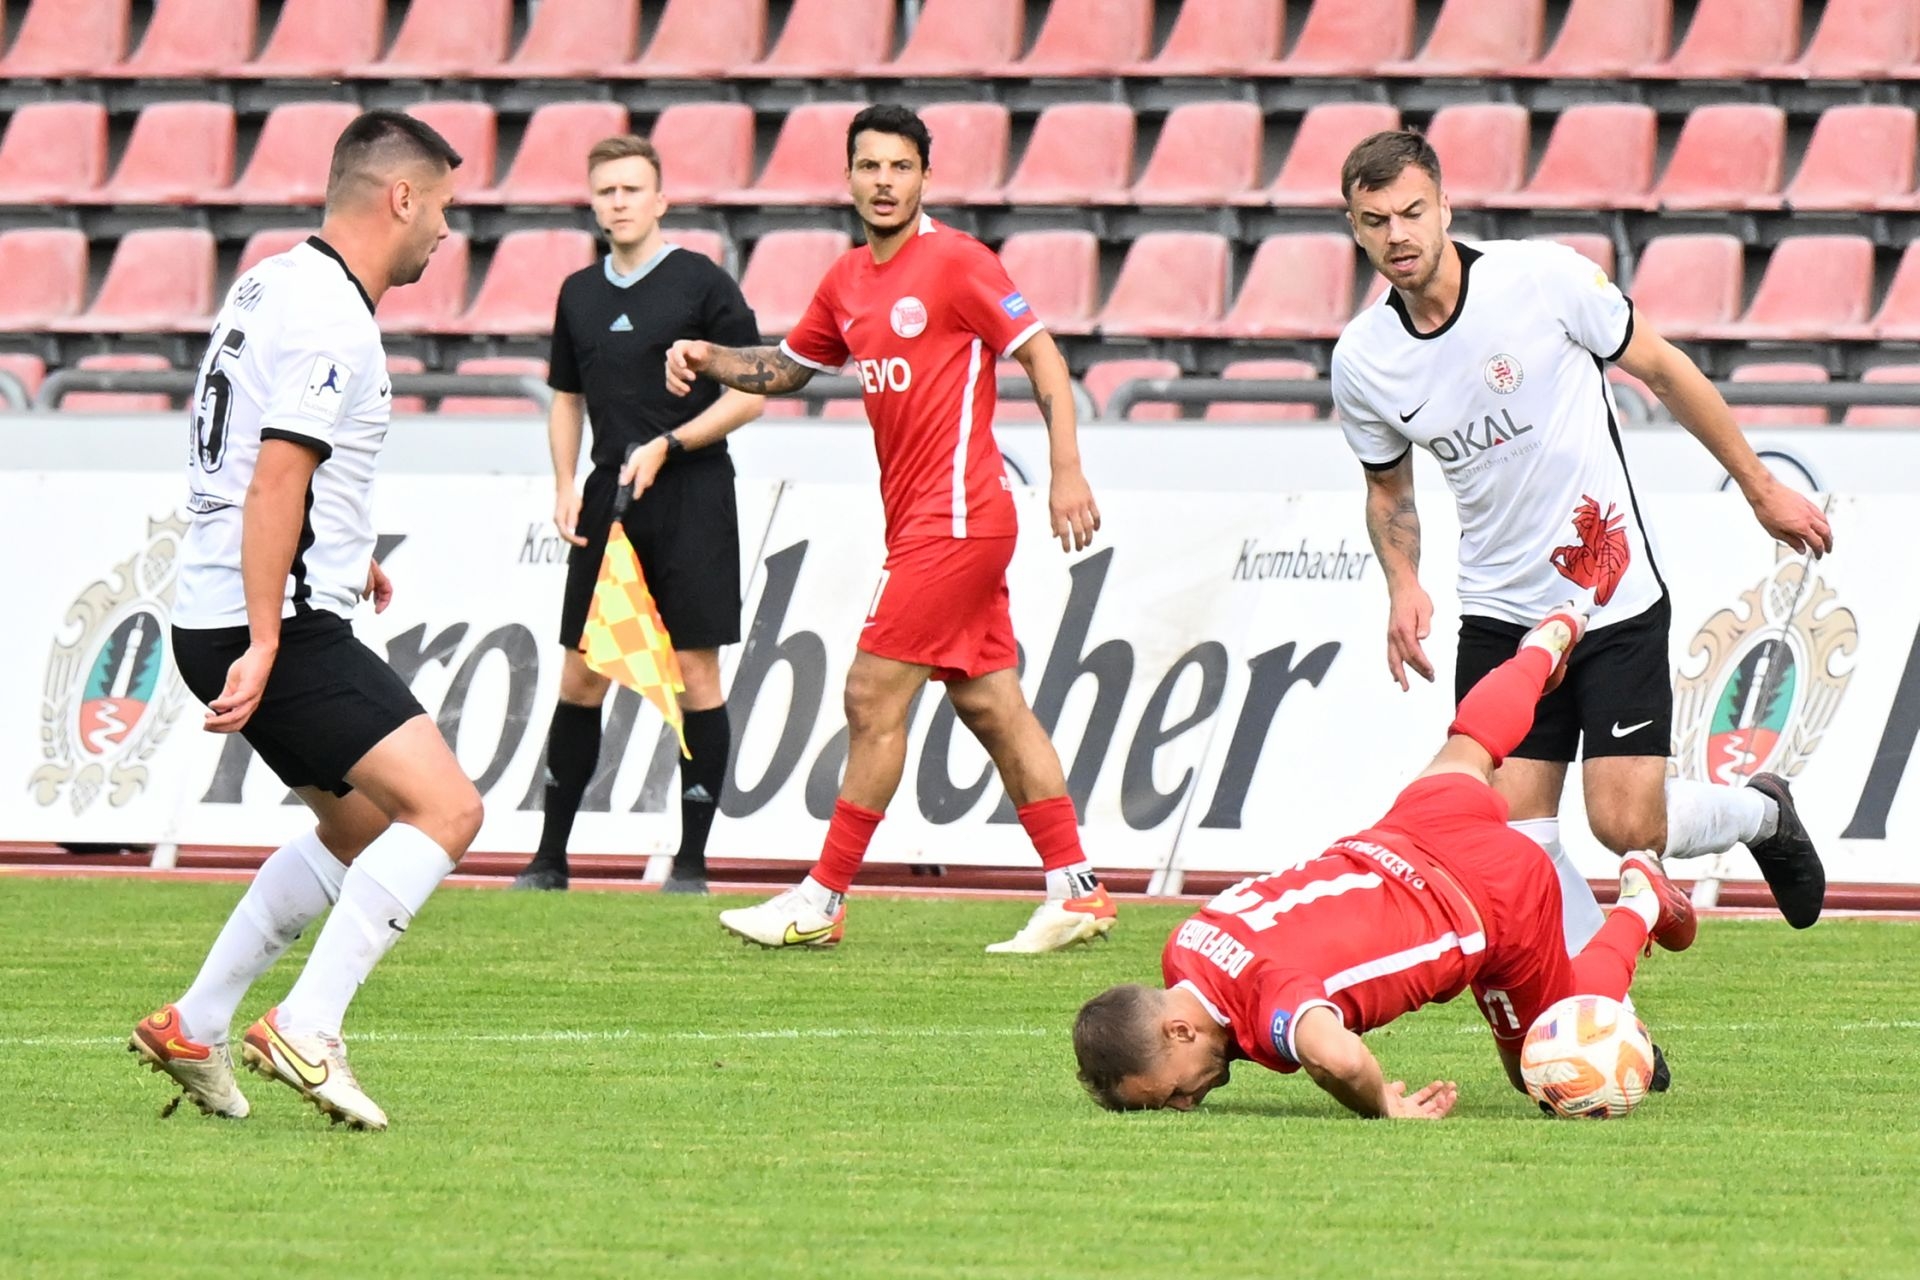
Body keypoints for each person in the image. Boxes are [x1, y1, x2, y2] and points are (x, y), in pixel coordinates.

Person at [1329, 129, 1832, 947]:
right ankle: (1594, 1003)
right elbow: (1388, 490)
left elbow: (1663, 368)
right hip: (1501, 613)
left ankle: (1762, 813)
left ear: (1445, 207)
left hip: (1609, 590)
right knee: (1515, 841)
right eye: (1377, 221)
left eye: (1413, 212)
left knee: (1627, 824)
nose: (1399, 235)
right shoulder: (1363, 359)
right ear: (1355, 229)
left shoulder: (1540, 279)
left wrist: (1759, 486)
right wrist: (1403, 583)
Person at [663, 104, 1109, 953]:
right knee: (992, 704)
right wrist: (708, 356)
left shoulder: (959, 262)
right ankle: (1076, 889)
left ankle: (822, 899)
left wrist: (1066, 469)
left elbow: (1042, 355)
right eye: (869, 166)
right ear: (849, 177)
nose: (883, 181)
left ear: (924, 177)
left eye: (900, 167)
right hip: (924, 523)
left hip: (959, 517)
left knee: (871, 696)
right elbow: (789, 368)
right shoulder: (846, 280)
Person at [129, 112, 476, 1132]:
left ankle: (196, 1021)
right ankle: (308, 1026)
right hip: (269, 619)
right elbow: (277, 474)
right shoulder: (335, 318)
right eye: (442, 207)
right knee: (447, 812)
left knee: (360, 828)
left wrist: (341, 547)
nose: (445, 231)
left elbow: (255, 451)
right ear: (400, 197)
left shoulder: (272, 281)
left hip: (221, 603)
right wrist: (272, 635)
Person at [1072, 605, 1697, 1117]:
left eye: (1171, 1094)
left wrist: (1383, 1106)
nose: (1184, 1104)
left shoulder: (1267, 1000)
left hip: (1485, 899)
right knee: (1469, 746)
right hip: (1407, 832)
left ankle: (1638, 904)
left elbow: (1338, 1060)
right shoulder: (1183, 946)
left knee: (1546, 1061)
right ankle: (1538, 651)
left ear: (1178, 1032)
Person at [511, 135, 764, 895]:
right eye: (606, 191)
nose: (618, 203)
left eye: (631, 190)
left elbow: (751, 393)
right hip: (608, 499)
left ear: (660, 200)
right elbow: (566, 397)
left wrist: (670, 443)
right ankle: (549, 860)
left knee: (694, 673)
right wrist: (565, 482)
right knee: (584, 672)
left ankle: (691, 865)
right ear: (593, 203)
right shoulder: (578, 293)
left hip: (693, 496)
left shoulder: (702, 283)